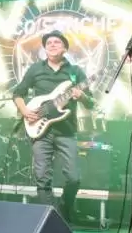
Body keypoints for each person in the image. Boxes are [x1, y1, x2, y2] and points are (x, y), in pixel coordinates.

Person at [12, 30, 94, 222]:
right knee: (42, 178)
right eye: (48, 43)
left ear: (65, 48)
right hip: (40, 131)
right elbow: (18, 93)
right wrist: (25, 111)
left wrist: (81, 96)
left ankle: (63, 209)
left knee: (73, 178)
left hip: (67, 131)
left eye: (57, 42)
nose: (52, 45)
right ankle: (50, 220)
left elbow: (91, 102)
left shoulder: (75, 72)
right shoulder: (35, 69)